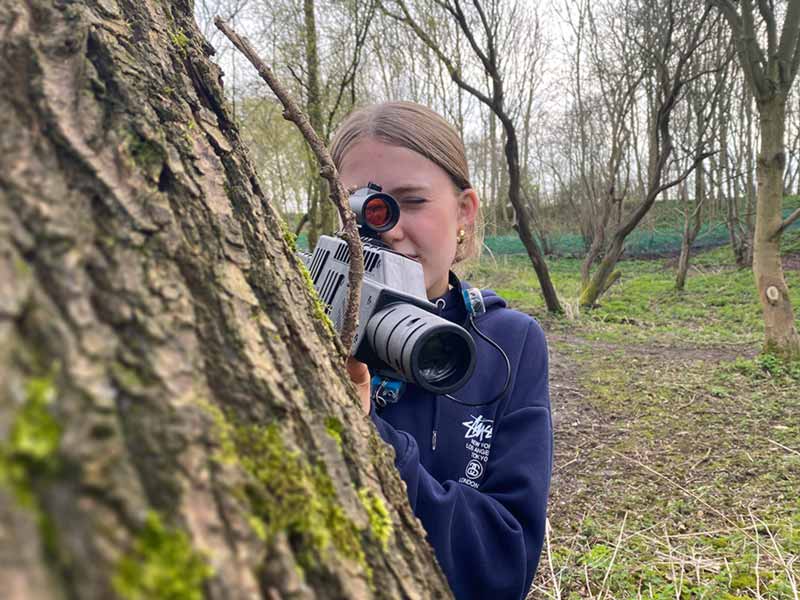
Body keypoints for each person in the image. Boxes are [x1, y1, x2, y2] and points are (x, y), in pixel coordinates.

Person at [331, 101, 552, 600]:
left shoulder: (510, 343)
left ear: (464, 212)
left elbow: (504, 565)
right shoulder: (304, 324)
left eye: (410, 201)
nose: (383, 226)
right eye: (358, 203)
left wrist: (369, 436)